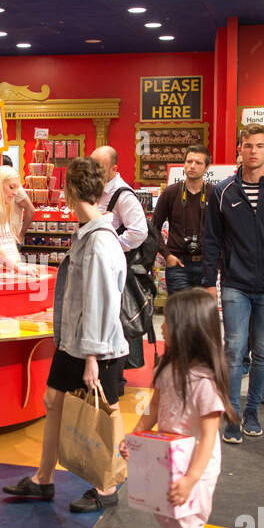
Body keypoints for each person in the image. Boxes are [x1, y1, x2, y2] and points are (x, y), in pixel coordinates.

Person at [3, 155, 129, 513]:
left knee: (106, 410)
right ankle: (44, 478)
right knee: (53, 401)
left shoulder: (101, 241)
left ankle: (107, 485)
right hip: (74, 341)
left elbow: (102, 303)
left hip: (96, 346)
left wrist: (91, 357)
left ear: (71, 191)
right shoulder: (89, 235)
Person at [120, 288, 235, 528]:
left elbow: (210, 438)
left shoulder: (203, 383)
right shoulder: (168, 369)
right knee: (168, 517)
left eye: (168, 321)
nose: (163, 326)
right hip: (167, 462)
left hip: (193, 468)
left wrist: (190, 479)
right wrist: (136, 438)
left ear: (187, 329)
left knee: (186, 527)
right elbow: (154, 408)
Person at [201, 124, 264, 442]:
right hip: (235, 284)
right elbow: (212, 240)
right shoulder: (223, 192)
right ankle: (231, 417)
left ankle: (252, 413)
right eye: (248, 145)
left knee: (261, 352)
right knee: (234, 350)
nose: (254, 151)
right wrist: (209, 281)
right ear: (240, 149)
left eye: (259, 145)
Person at [94, 144, 152, 370]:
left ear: (113, 169)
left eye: (100, 168)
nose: (95, 172)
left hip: (116, 268)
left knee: (116, 320)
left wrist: (111, 245)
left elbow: (139, 232)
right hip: (100, 267)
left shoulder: (123, 194)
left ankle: (117, 375)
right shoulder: (97, 189)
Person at [151, 144, 211, 293]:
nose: (192, 166)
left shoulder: (214, 194)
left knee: (203, 315)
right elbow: (154, 228)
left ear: (206, 167)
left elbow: (224, 230)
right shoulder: (171, 192)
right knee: (179, 314)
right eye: (189, 161)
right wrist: (167, 255)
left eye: (198, 163)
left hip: (205, 264)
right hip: (178, 264)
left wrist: (218, 260)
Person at [2, 154, 36, 245]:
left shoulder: (14, 186)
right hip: (2, 238)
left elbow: (31, 209)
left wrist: (21, 235)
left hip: (12, 240)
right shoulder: (2, 185)